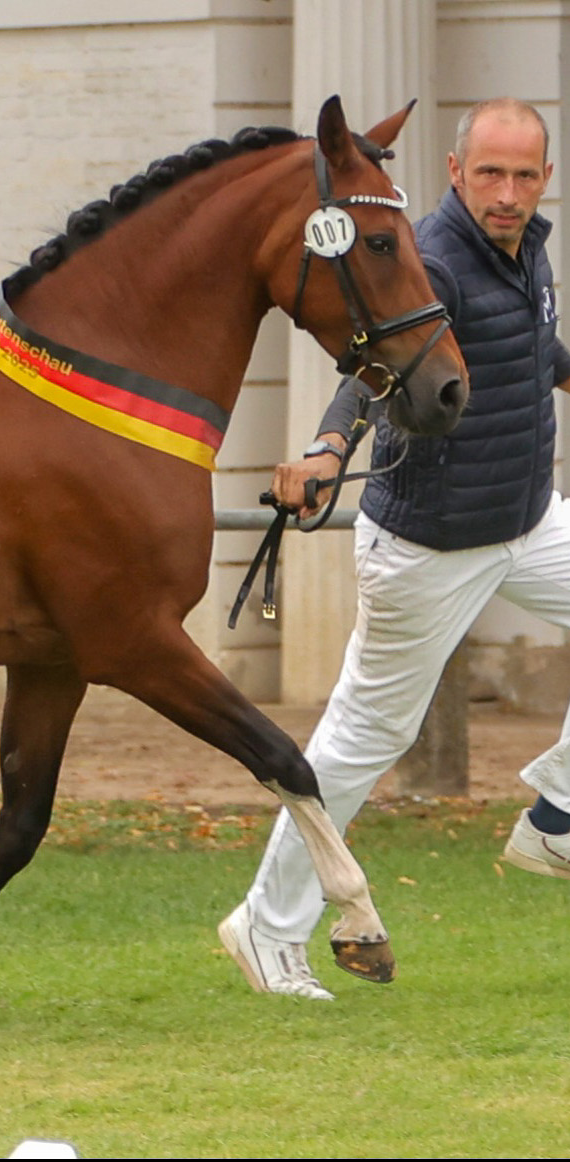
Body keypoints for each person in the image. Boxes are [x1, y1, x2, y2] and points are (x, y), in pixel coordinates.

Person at [219, 97, 570, 1000]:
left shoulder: (528, 249)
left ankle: (559, 814)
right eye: (489, 173)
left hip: (527, 521)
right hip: (430, 546)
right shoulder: (433, 257)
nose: (506, 193)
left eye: (523, 175)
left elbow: (536, 352)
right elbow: (369, 373)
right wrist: (327, 449)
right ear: (456, 173)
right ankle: (265, 927)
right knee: (365, 738)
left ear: (546, 178)